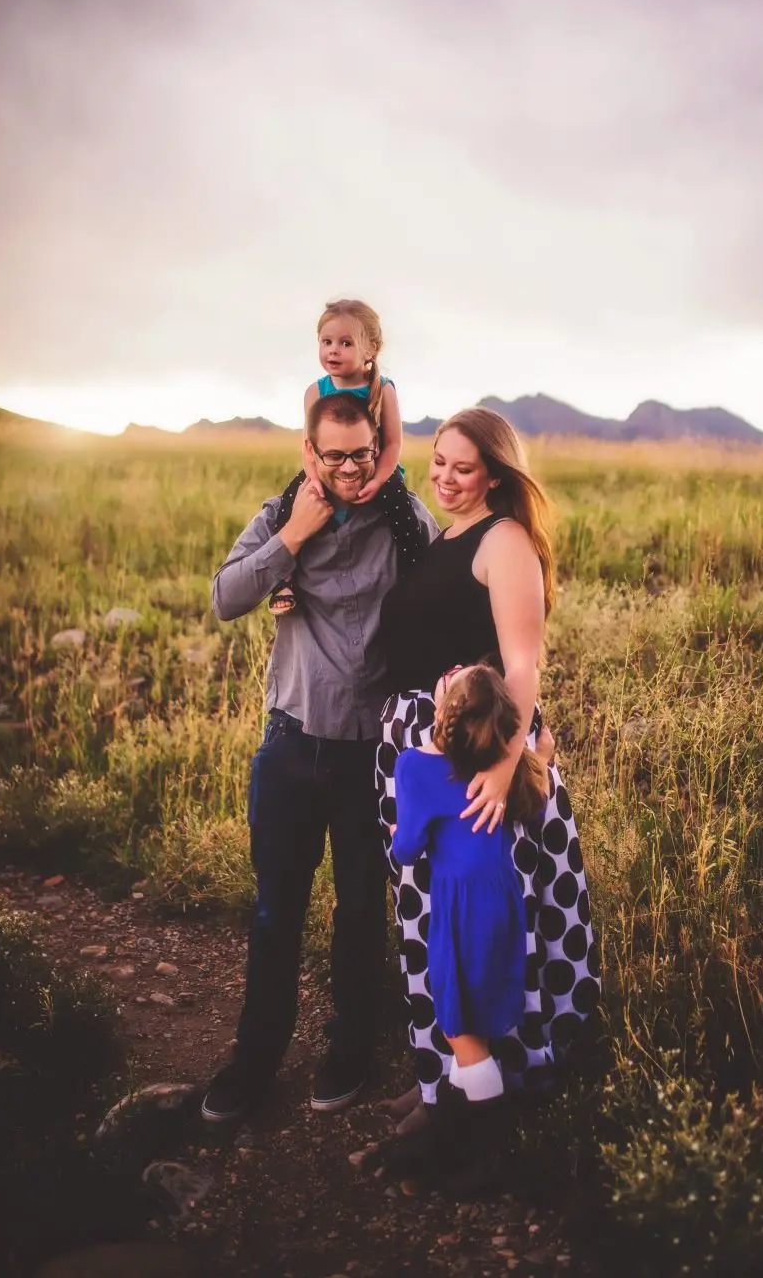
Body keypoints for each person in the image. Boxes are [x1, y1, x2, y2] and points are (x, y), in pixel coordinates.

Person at [201, 391, 437, 1124]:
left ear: (380, 448)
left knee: (361, 909)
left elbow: (451, 595)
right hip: (291, 744)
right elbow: (223, 597)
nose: (346, 468)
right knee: (276, 912)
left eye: (361, 454)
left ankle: (351, 1049)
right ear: (310, 452)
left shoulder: (403, 523)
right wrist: (293, 540)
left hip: (371, 752)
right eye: (331, 455)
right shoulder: (281, 513)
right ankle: (255, 1059)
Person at [377, 407, 601, 1125]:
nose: (444, 478)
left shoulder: (502, 541)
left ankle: (510, 1093)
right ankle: (447, 1070)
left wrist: (505, 767)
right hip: (425, 748)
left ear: (495, 475)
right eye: (437, 461)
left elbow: (522, 665)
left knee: (491, 924)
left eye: (462, 468)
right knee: (429, 918)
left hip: (476, 754)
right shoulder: (446, 537)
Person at [390, 663, 548, 1166]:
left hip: (460, 908)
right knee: (474, 1022)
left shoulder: (416, 764)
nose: (454, 667)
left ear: (446, 709)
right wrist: (539, 755)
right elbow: (535, 798)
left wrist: (400, 832)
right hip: (503, 899)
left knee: (458, 1025)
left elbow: (408, 850)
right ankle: (453, 1134)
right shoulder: (502, 759)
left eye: (460, 675)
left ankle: (487, 1156)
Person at [268, 298, 422, 615]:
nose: (333, 350)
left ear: (371, 349)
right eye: (326, 342)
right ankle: (283, 579)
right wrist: (314, 480)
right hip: (324, 469)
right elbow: (308, 445)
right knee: (288, 503)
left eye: (345, 343)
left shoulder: (382, 389)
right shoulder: (316, 391)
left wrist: (379, 479)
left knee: (403, 515)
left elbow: (392, 444)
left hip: (376, 468)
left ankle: (415, 577)